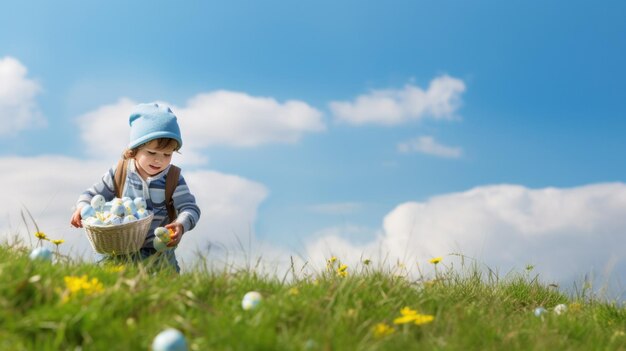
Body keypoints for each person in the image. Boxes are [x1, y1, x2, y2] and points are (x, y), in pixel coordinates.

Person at [70, 102, 201, 273]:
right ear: (135, 150)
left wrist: (181, 225)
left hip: (158, 252)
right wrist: (82, 207)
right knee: (112, 285)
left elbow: (190, 208)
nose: (159, 160)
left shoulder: (173, 179)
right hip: (117, 248)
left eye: (167, 154)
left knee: (165, 292)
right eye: (152, 153)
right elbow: (92, 194)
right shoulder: (121, 172)